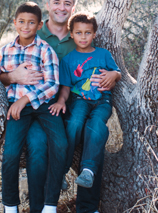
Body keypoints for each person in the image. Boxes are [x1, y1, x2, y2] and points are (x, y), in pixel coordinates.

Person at [0, 0, 121, 213]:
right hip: (39, 107)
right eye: (56, 2)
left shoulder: (79, 33)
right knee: (37, 144)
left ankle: (87, 206)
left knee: (93, 133)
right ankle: (44, 205)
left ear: (73, 7)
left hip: (71, 105)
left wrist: (114, 74)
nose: (61, 8)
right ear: (47, 5)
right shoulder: (34, 31)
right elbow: (1, 74)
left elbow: (98, 61)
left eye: (67, 3)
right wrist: (12, 76)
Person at [0, 2, 67, 213]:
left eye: (32, 23)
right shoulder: (6, 50)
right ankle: (10, 206)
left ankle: (49, 205)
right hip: (18, 110)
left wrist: (24, 98)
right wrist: (9, 77)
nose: (26, 26)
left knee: (60, 144)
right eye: (22, 22)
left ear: (39, 25)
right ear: (14, 22)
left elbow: (52, 84)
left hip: (43, 105)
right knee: (11, 154)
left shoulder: (45, 50)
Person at [49, 12, 119, 189]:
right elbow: (65, 87)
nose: (83, 36)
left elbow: (117, 73)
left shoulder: (103, 54)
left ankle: (88, 171)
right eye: (78, 32)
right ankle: (61, 172)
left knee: (97, 125)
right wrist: (61, 101)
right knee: (74, 124)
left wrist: (114, 74)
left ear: (94, 34)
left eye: (88, 32)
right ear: (71, 34)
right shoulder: (68, 60)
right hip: (79, 99)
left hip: (102, 100)